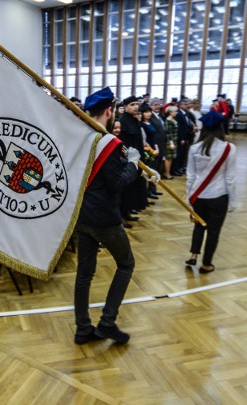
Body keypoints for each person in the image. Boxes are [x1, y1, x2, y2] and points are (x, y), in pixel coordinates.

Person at [74, 87, 158, 345]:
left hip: (82, 215)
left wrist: (133, 169)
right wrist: (133, 164)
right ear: (110, 111)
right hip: (104, 219)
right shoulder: (109, 143)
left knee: (84, 273)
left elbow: (102, 175)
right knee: (126, 264)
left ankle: (83, 329)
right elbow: (116, 184)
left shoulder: (82, 137)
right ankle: (107, 323)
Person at [185, 110, 236, 274]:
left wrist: (189, 199)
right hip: (219, 196)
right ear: (221, 127)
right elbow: (230, 178)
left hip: (198, 196)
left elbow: (190, 175)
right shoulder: (229, 148)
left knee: (198, 226)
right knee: (214, 231)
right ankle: (206, 264)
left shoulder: (194, 148)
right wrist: (233, 201)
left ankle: (193, 255)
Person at [164, 106, 178, 179]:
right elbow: (168, 133)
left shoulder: (173, 119)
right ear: (170, 112)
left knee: (171, 158)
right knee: (168, 158)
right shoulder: (168, 120)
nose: (176, 113)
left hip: (174, 140)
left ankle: (168, 172)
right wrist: (171, 142)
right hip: (170, 141)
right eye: (175, 111)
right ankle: (167, 173)